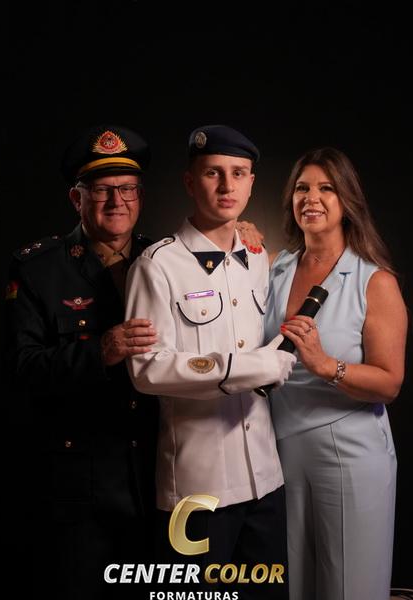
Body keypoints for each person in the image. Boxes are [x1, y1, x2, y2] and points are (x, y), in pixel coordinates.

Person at [125, 124, 297, 599]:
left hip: (265, 478)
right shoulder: (158, 265)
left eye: (238, 174)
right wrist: (244, 369)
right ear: (189, 181)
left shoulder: (257, 258)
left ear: (252, 184)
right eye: (212, 173)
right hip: (197, 488)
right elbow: (146, 369)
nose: (226, 186)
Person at [1, 124, 159, 600]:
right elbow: (23, 368)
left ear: (140, 196)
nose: (117, 201)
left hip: (156, 471)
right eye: (102, 190)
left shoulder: (165, 259)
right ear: (77, 198)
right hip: (81, 479)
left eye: (127, 189)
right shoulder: (38, 268)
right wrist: (99, 352)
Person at [262, 147, 407, 600]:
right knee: (295, 586)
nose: (312, 198)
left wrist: (327, 365)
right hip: (281, 448)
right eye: (302, 188)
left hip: (348, 451)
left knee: (349, 589)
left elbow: (390, 382)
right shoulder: (275, 267)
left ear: (348, 200)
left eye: (327, 188)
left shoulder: (374, 281)